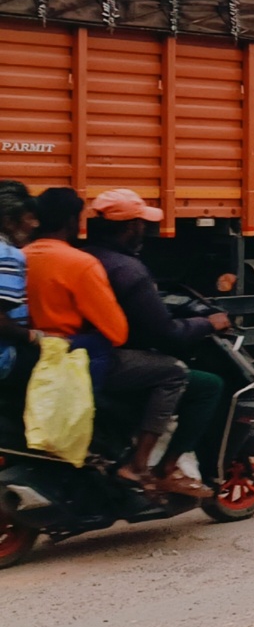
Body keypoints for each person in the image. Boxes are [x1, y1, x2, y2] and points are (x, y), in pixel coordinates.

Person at [24, 188, 181, 494]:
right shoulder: (79, 264)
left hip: (33, 353)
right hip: (72, 357)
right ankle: (138, 465)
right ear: (72, 220)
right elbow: (117, 332)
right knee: (173, 372)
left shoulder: (22, 256)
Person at [85, 189, 229, 498]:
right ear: (129, 227)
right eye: (141, 223)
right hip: (112, 357)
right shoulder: (128, 269)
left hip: (80, 352)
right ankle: (157, 468)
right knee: (205, 385)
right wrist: (207, 323)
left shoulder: (84, 255)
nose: (145, 230)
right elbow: (166, 334)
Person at [0, 181, 41, 395]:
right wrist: (34, 337)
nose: (35, 225)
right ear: (8, 221)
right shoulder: (7, 254)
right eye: (29, 217)